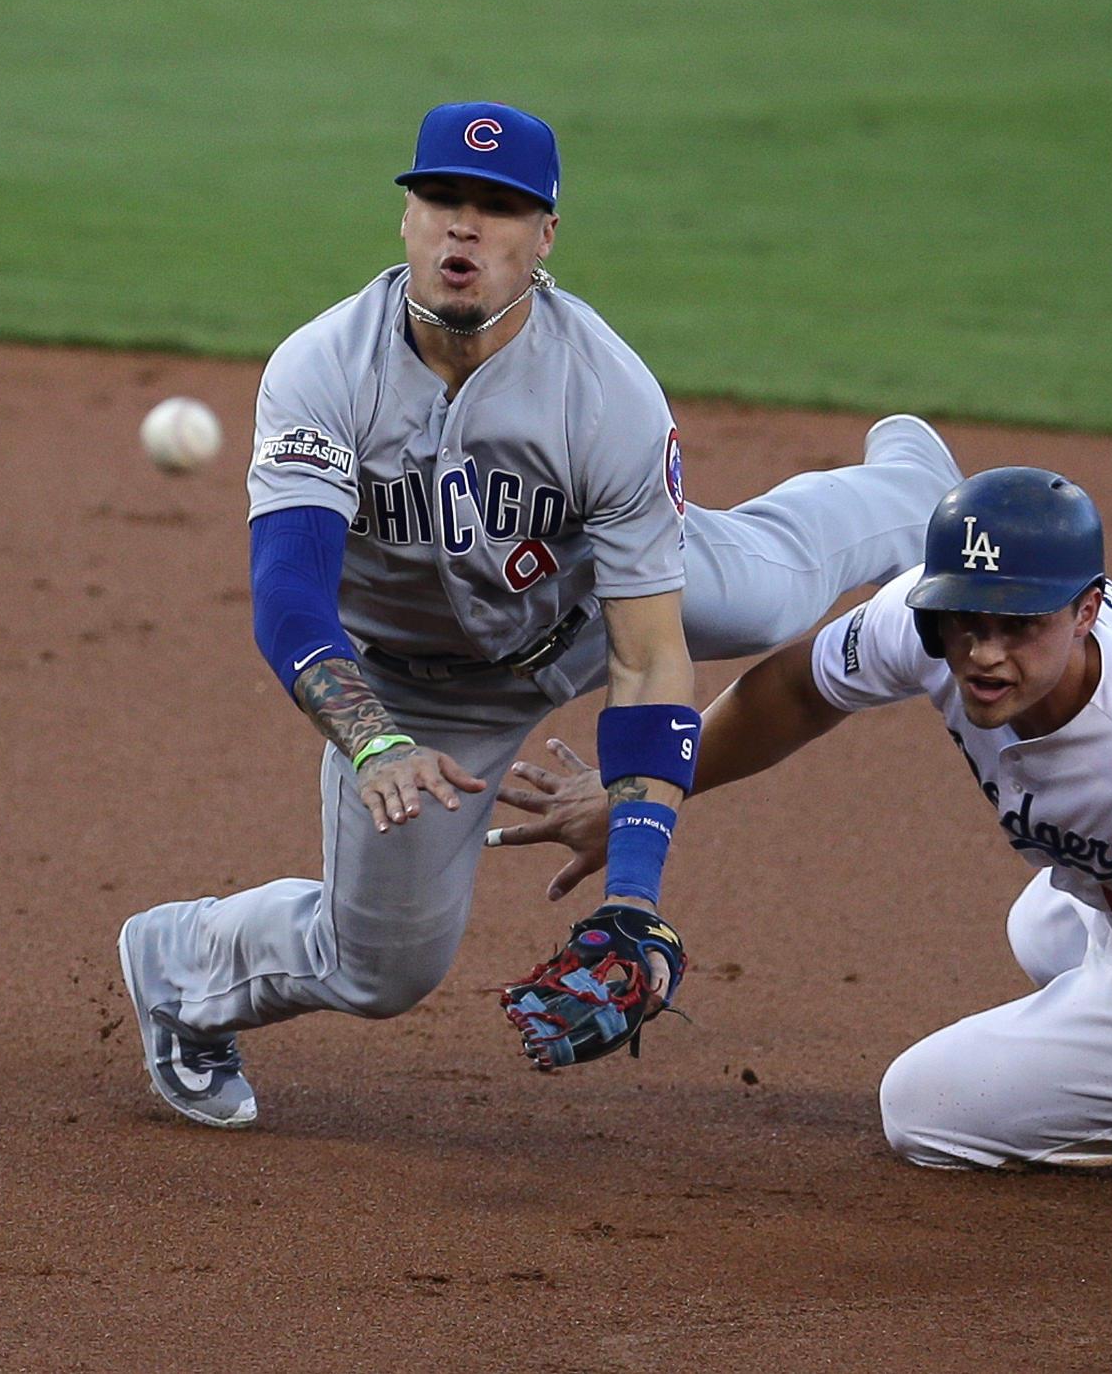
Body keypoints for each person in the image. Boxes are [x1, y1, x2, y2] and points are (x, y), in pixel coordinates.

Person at [116, 101, 960, 1128]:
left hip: (593, 607)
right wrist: (374, 740)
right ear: (407, 219)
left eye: (499, 208)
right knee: (380, 969)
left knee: (776, 585)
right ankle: (183, 960)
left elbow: (651, 659)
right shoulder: (321, 370)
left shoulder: (603, 390)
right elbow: (288, 599)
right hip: (416, 690)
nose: (464, 227)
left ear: (544, 235)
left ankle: (914, 482)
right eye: (441, 199)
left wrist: (632, 895)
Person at [494, 467, 1112, 1245]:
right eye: (968, 621)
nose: (984, 655)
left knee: (922, 1113)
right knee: (1040, 914)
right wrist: (644, 799)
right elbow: (794, 691)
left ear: (1088, 611)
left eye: (1019, 626)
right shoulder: (933, 618)